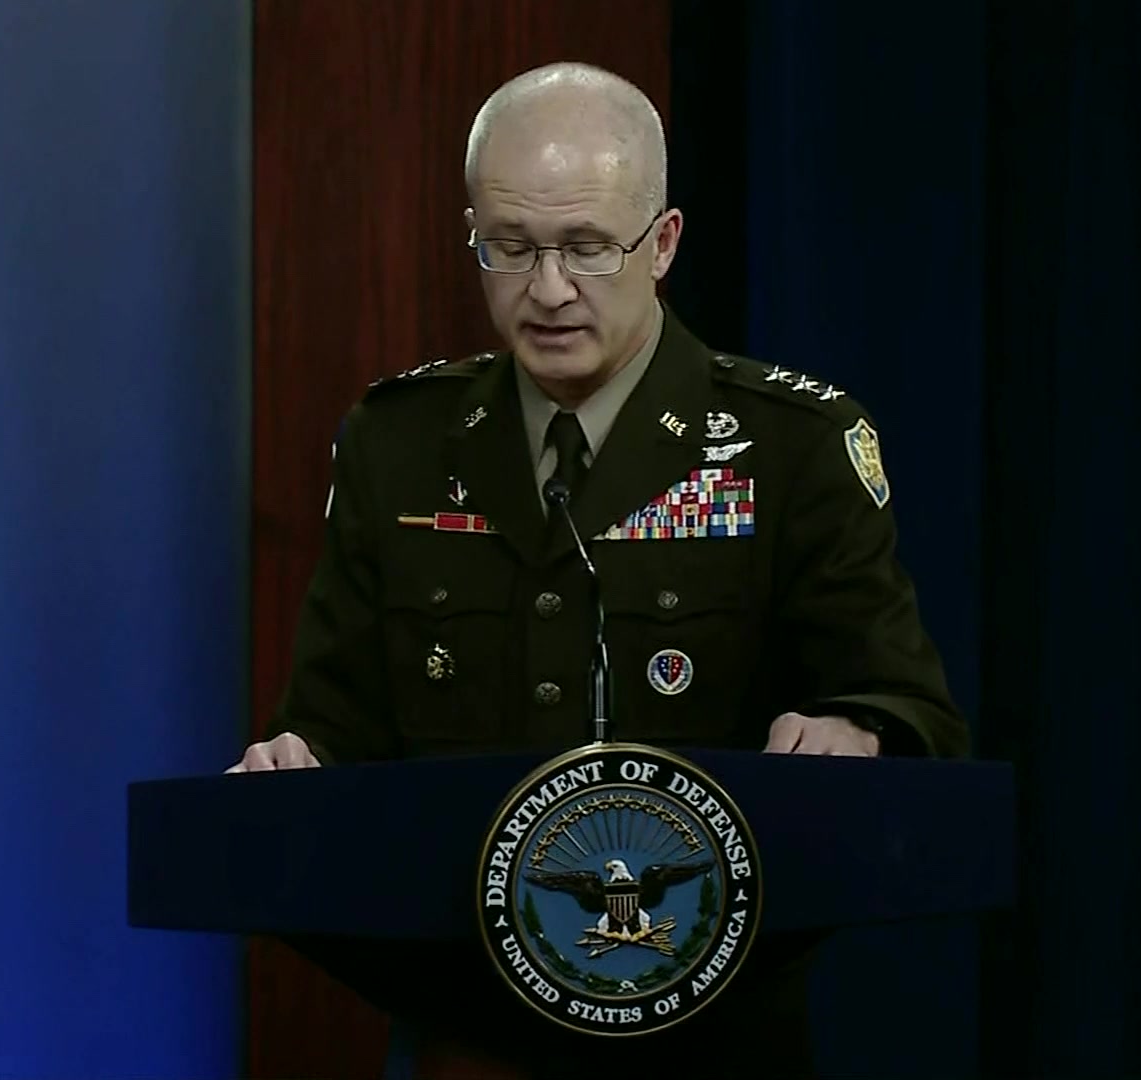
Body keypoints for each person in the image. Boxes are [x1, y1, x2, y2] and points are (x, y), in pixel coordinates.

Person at [230, 61, 968, 1076]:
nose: (547, 290)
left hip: (717, 1037)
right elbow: (334, 719)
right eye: (510, 247)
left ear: (662, 243)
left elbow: (910, 707)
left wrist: (863, 733)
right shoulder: (399, 445)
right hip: (465, 1034)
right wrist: (293, 765)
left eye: (585, 248)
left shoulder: (789, 445)